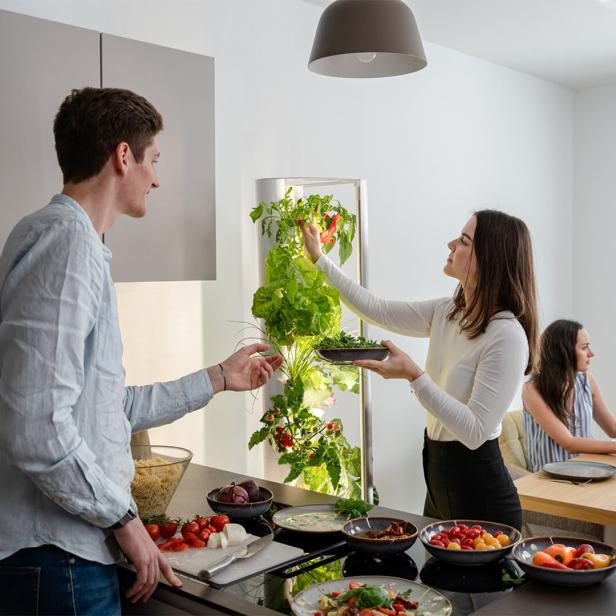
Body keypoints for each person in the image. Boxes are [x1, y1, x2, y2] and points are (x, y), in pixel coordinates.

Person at [0, 87, 283, 615]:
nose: (157, 177)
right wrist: (123, 519)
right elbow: (35, 425)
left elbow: (106, 410)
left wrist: (220, 377)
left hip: (63, 555)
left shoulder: (56, 238)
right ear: (122, 156)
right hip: (58, 558)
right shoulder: (68, 246)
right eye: (153, 160)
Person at [300, 210, 538, 530]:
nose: (451, 244)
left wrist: (415, 376)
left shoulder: (506, 335)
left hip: (481, 495)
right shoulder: (447, 312)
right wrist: (319, 258)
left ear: (490, 259)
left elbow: (475, 431)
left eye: (464, 241)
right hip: (438, 479)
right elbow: (377, 310)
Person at [523, 319, 616, 471]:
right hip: (550, 481)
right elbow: (569, 443)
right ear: (563, 351)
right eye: (584, 347)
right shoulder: (532, 389)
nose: (591, 353)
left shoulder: (587, 381)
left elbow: (612, 428)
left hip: (587, 471)